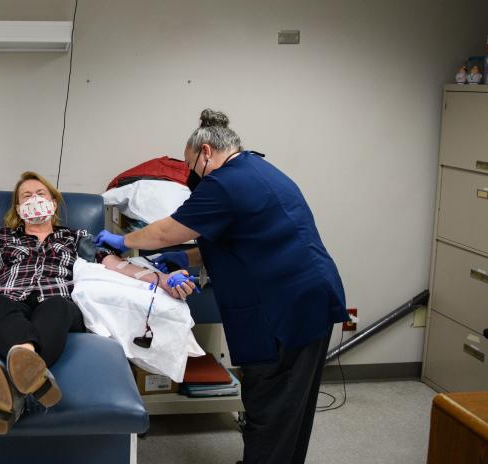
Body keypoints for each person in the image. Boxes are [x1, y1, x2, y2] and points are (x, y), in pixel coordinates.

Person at [95, 109, 347, 464]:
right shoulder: (259, 170)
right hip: (311, 296)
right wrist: (184, 260)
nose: (191, 174)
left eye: (190, 165)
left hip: (286, 306)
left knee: (271, 404)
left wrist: (126, 242)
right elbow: (235, 241)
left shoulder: (225, 182)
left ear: (207, 152)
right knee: (291, 406)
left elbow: (168, 230)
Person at [0, 171, 187, 435]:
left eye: (40, 194)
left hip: (57, 305)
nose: (34, 199)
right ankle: (30, 376)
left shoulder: (75, 237)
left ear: (54, 203)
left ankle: (16, 383)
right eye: (26, 196)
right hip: (9, 302)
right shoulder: (1, 238)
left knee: (57, 306)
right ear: (19, 209)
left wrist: (161, 279)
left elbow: (117, 266)